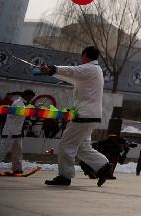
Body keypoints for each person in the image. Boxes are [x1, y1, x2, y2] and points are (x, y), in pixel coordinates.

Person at [38, 46, 112, 187]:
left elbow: (73, 71)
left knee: (66, 145)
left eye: (82, 55)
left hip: (84, 115)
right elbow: (72, 76)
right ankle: (104, 166)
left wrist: (53, 68)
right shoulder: (94, 71)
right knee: (82, 147)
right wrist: (51, 72)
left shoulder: (89, 69)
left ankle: (65, 177)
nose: (81, 58)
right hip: (91, 115)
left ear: (85, 55)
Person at [0, 89, 35, 174]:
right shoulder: (18, 103)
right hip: (10, 131)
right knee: (3, 150)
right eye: (31, 97)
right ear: (26, 96)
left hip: (17, 132)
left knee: (18, 151)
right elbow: (21, 113)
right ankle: (17, 168)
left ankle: (17, 169)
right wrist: (33, 110)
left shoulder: (24, 104)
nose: (31, 99)